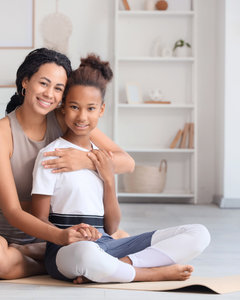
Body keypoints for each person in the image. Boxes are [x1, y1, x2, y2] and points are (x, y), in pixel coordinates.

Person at [0, 48, 135, 280]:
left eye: (58, 88)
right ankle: (53, 262)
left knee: (122, 236)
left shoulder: (66, 118)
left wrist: (85, 159)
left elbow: (126, 162)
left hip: (47, 232)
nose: (49, 94)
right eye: (43, 83)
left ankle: (47, 254)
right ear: (25, 82)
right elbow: (12, 211)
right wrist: (59, 238)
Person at [31, 54, 211, 284]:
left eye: (91, 108)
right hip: (66, 250)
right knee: (86, 254)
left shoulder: (104, 158)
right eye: (74, 107)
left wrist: (108, 179)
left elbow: (112, 226)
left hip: (107, 245)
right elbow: (38, 219)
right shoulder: (52, 155)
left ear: (101, 110)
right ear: (63, 107)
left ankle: (112, 269)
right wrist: (69, 234)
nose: (82, 116)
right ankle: (148, 274)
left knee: (198, 234)